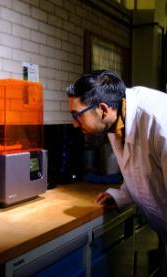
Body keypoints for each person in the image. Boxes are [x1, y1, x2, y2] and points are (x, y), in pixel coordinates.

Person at [66, 70, 167, 247]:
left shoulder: (159, 122)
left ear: (103, 109)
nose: (75, 123)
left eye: (77, 115)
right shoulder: (116, 118)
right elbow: (142, 169)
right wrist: (121, 196)